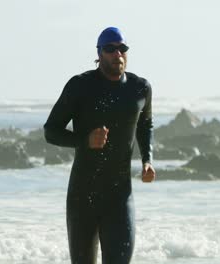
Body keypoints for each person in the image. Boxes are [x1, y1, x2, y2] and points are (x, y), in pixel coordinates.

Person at [43, 27, 156, 264]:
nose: (118, 54)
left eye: (122, 48)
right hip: (83, 197)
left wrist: (147, 160)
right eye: (110, 49)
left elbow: (145, 125)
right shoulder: (80, 86)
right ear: (99, 53)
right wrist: (85, 140)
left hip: (120, 197)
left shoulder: (140, 88)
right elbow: (51, 131)